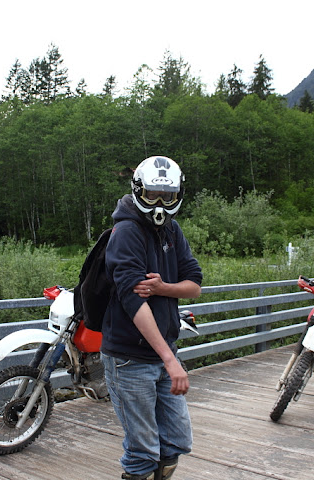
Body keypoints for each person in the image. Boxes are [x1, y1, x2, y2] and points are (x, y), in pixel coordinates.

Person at [101, 156, 203, 480]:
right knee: (143, 450)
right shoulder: (127, 232)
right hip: (130, 359)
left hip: (163, 351)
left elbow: (194, 286)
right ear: (138, 191)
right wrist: (170, 361)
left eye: (168, 196)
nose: (160, 204)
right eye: (153, 195)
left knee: (175, 442)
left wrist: (162, 287)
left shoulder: (171, 230)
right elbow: (134, 303)